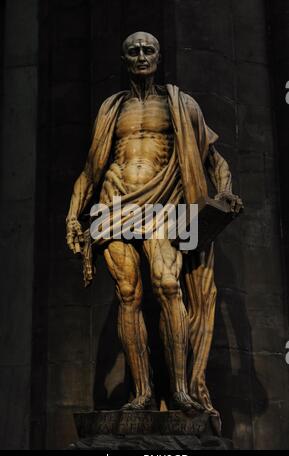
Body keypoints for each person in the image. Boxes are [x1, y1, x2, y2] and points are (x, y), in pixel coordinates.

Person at [66, 32, 243, 418]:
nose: (142, 56)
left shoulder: (181, 104)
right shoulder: (112, 109)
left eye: (148, 50)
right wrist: (72, 214)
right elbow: (90, 170)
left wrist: (225, 190)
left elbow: (214, 160)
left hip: (163, 202)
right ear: (125, 59)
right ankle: (142, 393)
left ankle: (180, 390)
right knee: (128, 293)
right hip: (115, 201)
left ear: (159, 57)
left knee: (167, 285)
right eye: (134, 51)